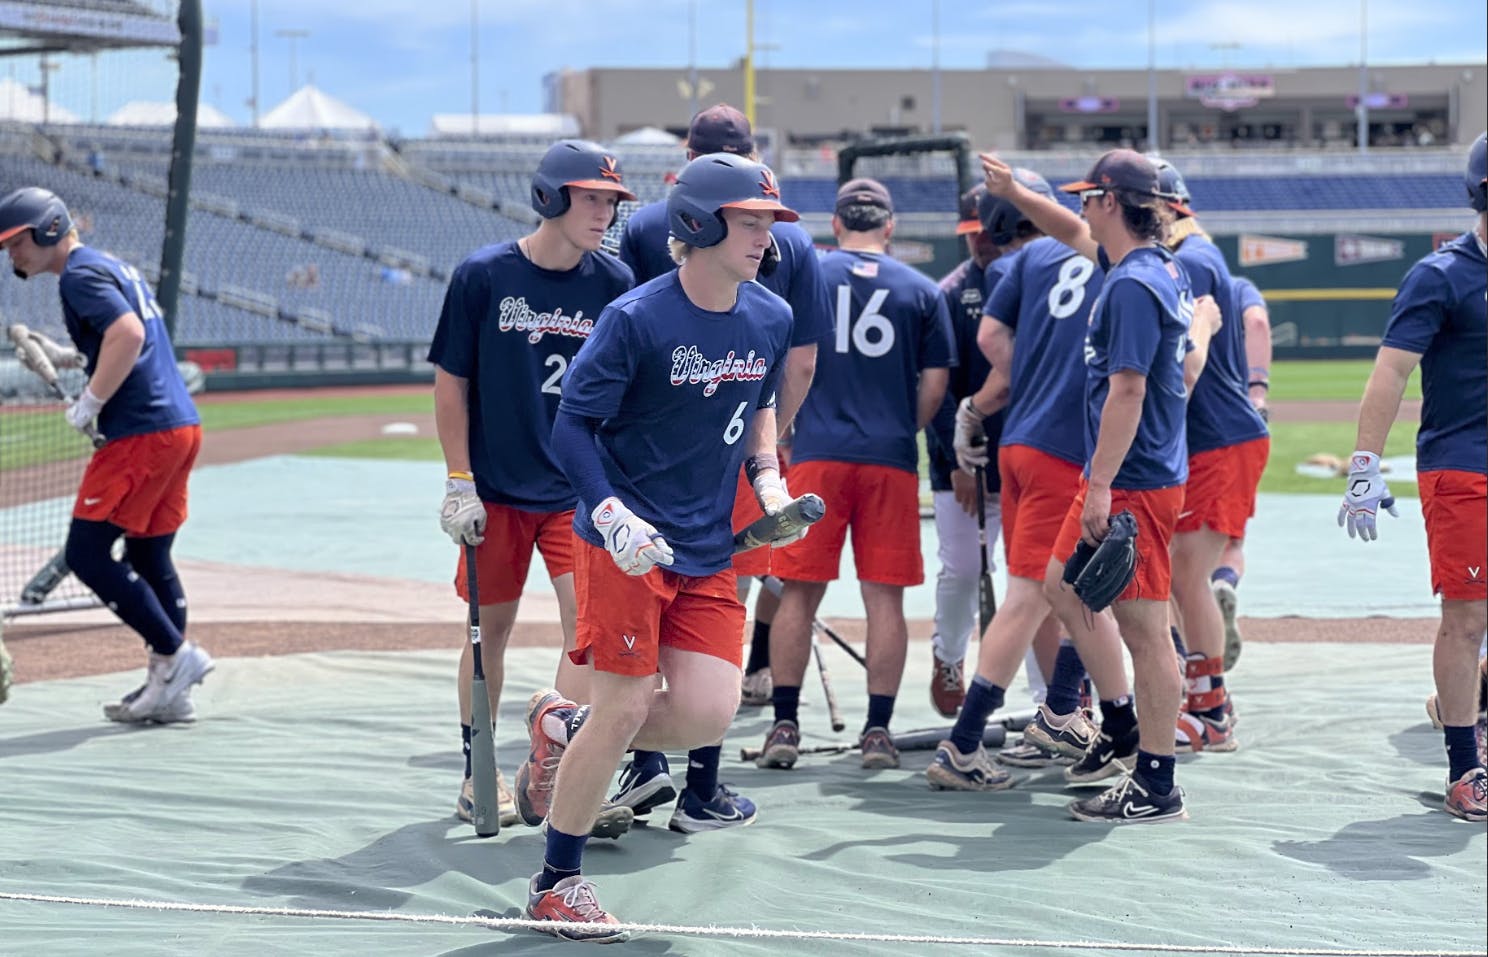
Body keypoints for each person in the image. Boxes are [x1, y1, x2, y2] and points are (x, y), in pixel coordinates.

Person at [516, 152, 797, 939]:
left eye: (769, 222)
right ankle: (556, 881)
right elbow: (572, 425)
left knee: (708, 714)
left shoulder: (771, 316)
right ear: (699, 225)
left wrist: (768, 478)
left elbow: (761, 403)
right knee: (628, 703)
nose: (765, 237)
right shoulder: (636, 317)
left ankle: (563, 725)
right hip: (626, 540)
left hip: (705, 545)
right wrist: (609, 513)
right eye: (749, 221)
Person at [610, 104, 832, 828]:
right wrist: (762, 451)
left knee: (642, 604)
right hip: (738, 448)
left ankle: (643, 761)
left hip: (650, 453)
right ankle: (701, 786)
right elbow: (799, 365)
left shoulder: (648, 223)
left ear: (688, 158)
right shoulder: (791, 238)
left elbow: (622, 335)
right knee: (718, 610)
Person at [979, 150, 1217, 821]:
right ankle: (1118, 723)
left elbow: (1129, 390)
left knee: (1146, 632)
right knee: (1060, 585)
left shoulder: (1132, 283)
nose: (1080, 207)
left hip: (1132, 479)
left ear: (1112, 202)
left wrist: (1102, 486)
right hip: (1123, 471)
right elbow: (1070, 232)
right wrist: (1017, 194)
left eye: (1088, 196)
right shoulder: (1146, 265)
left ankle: (1156, 782)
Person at [429, 139, 638, 835]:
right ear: (550, 198)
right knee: (490, 631)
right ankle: (478, 769)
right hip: (496, 489)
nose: (604, 213)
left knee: (588, 630)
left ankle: (558, 769)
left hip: (577, 490)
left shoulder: (615, 282)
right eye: (590, 199)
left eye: (611, 201)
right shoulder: (484, 275)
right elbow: (451, 383)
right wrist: (459, 480)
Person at [931, 170, 1139, 789]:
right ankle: (966, 743)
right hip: (1070, 446)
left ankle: (1061, 712)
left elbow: (992, 338)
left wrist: (1027, 381)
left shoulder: (1020, 264)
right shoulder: (1115, 258)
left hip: (1020, 439)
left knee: (1057, 587)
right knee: (1044, 593)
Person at [758, 177, 954, 771]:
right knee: (884, 599)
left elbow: (787, 359)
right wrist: (900, 427)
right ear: (889, 227)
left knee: (798, 591)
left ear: (838, 224)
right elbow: (936, 385)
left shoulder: (811, 274)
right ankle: (877, 733)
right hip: (889, 458)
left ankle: (784, 725)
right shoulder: (922, 289)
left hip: (819, 453)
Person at [0, 186, 210, 724]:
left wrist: (90, 401)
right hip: (179, 426)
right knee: (148, 556)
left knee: (88, 554)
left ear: (48, 228)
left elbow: (127, 333)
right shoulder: (108, 265)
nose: (11, 253)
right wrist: (73, 358)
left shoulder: (77, 275)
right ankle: (170, 689)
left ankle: (175, 657)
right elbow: (123, 338)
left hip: (141, 432)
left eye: (16, 241)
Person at [1339, 132, 1486, 822]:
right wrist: (1364, 469)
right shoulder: (1441, 275)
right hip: (1464, 468)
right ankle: (1466, 768)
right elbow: (1391, 373)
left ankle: (1469, 698)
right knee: (1468, 616)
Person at [1149, 158, 1268, 754]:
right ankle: (1205, 696)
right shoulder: (1194, 254)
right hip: (1212, 437)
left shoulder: (1189, 259)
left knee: (1185, 576)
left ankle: (1211, 709)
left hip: (1220, 438)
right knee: (1179, 575)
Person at [922, 183, 1002, 717]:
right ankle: (949, 658)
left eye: (987, 231)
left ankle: (1056, 699)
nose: (980, 241)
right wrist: (956, 461)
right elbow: (937, 388)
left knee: (1037, 581)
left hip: (1025, 454)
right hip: (961, 460)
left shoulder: (1032, 280)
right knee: (964, 570)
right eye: (972, 233)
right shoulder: (950, 292)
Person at [1211, 274, 1273, 672]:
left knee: (1175, 554)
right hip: (1239, 427)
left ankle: (1185, 651)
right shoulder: (1235, 287)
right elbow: (1257, 322)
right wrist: (1257, 389)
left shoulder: (1163, 280)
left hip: (1181, 429)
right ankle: (1224, 580)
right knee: (1231, 538)